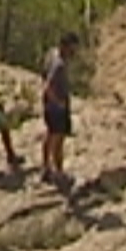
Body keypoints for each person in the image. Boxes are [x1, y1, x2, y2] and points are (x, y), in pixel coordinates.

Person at [40, 32, 80, 186]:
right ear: (65, 46)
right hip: (57, 106)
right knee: (58, 139)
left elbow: (43, 74)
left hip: (49, 105)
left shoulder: (51, 54)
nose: (73, 52)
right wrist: (59, 101)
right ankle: (59, 172)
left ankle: (46, 168)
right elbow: (48, 86)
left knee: (50, 136)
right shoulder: (59, 64)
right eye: (72, 48)